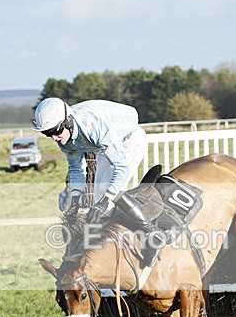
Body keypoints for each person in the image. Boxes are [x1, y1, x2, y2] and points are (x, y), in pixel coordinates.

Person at [34, 97, 163, 264]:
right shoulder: (64, 137)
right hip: (103, 145)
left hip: (129, 140)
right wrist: (74, 201)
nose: (54, 138)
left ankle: (153, 234)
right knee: (96, 197)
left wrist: (105, 201)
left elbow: (121, 168)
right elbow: (76, 169)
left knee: (107, 195)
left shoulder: (92, 127)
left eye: (56, 131)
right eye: (47, 133)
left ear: (67, 120)